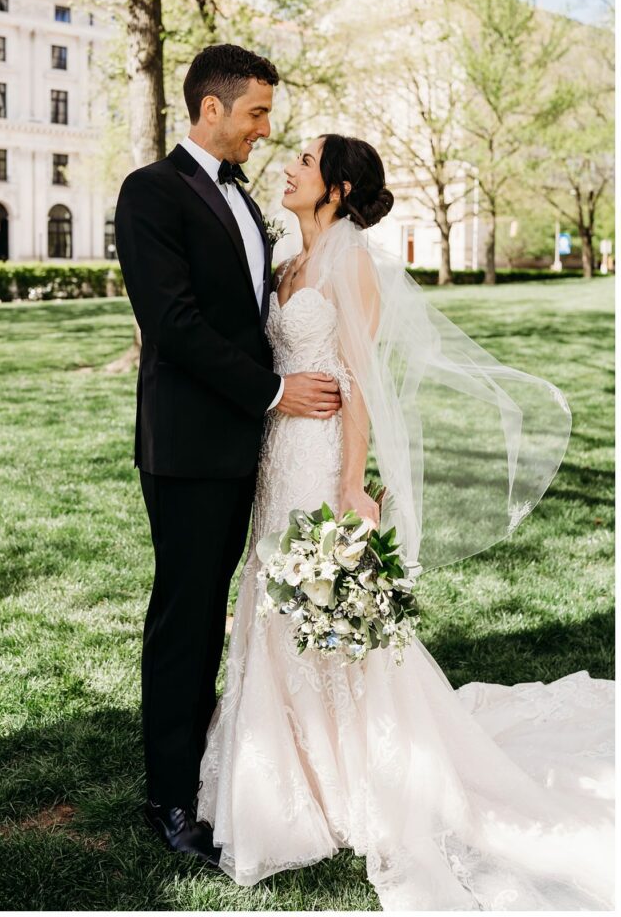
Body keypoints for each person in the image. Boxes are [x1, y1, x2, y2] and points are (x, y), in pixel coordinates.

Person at [197, 134, 615, 909]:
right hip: (275, 456)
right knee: (273, 603)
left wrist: (353, 486)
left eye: (305, 162)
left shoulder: (350, 264)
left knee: (323, 614)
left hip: (322, 460)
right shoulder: (287, 262)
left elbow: (358, 383)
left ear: (339, 187)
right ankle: (282, 768)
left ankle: (347, 774)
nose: (288, 166)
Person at [114, 45, 342, 866]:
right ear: (212, 109)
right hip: (187, 450)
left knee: (232, 613)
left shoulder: (244, 203)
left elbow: (252, 318)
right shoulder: (149, 193)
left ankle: (223, 768)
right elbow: (173, 326)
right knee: (186, 619)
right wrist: (276, 396)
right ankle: (171, 798)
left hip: (250, 449)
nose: (265, 129)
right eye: (256, 112)